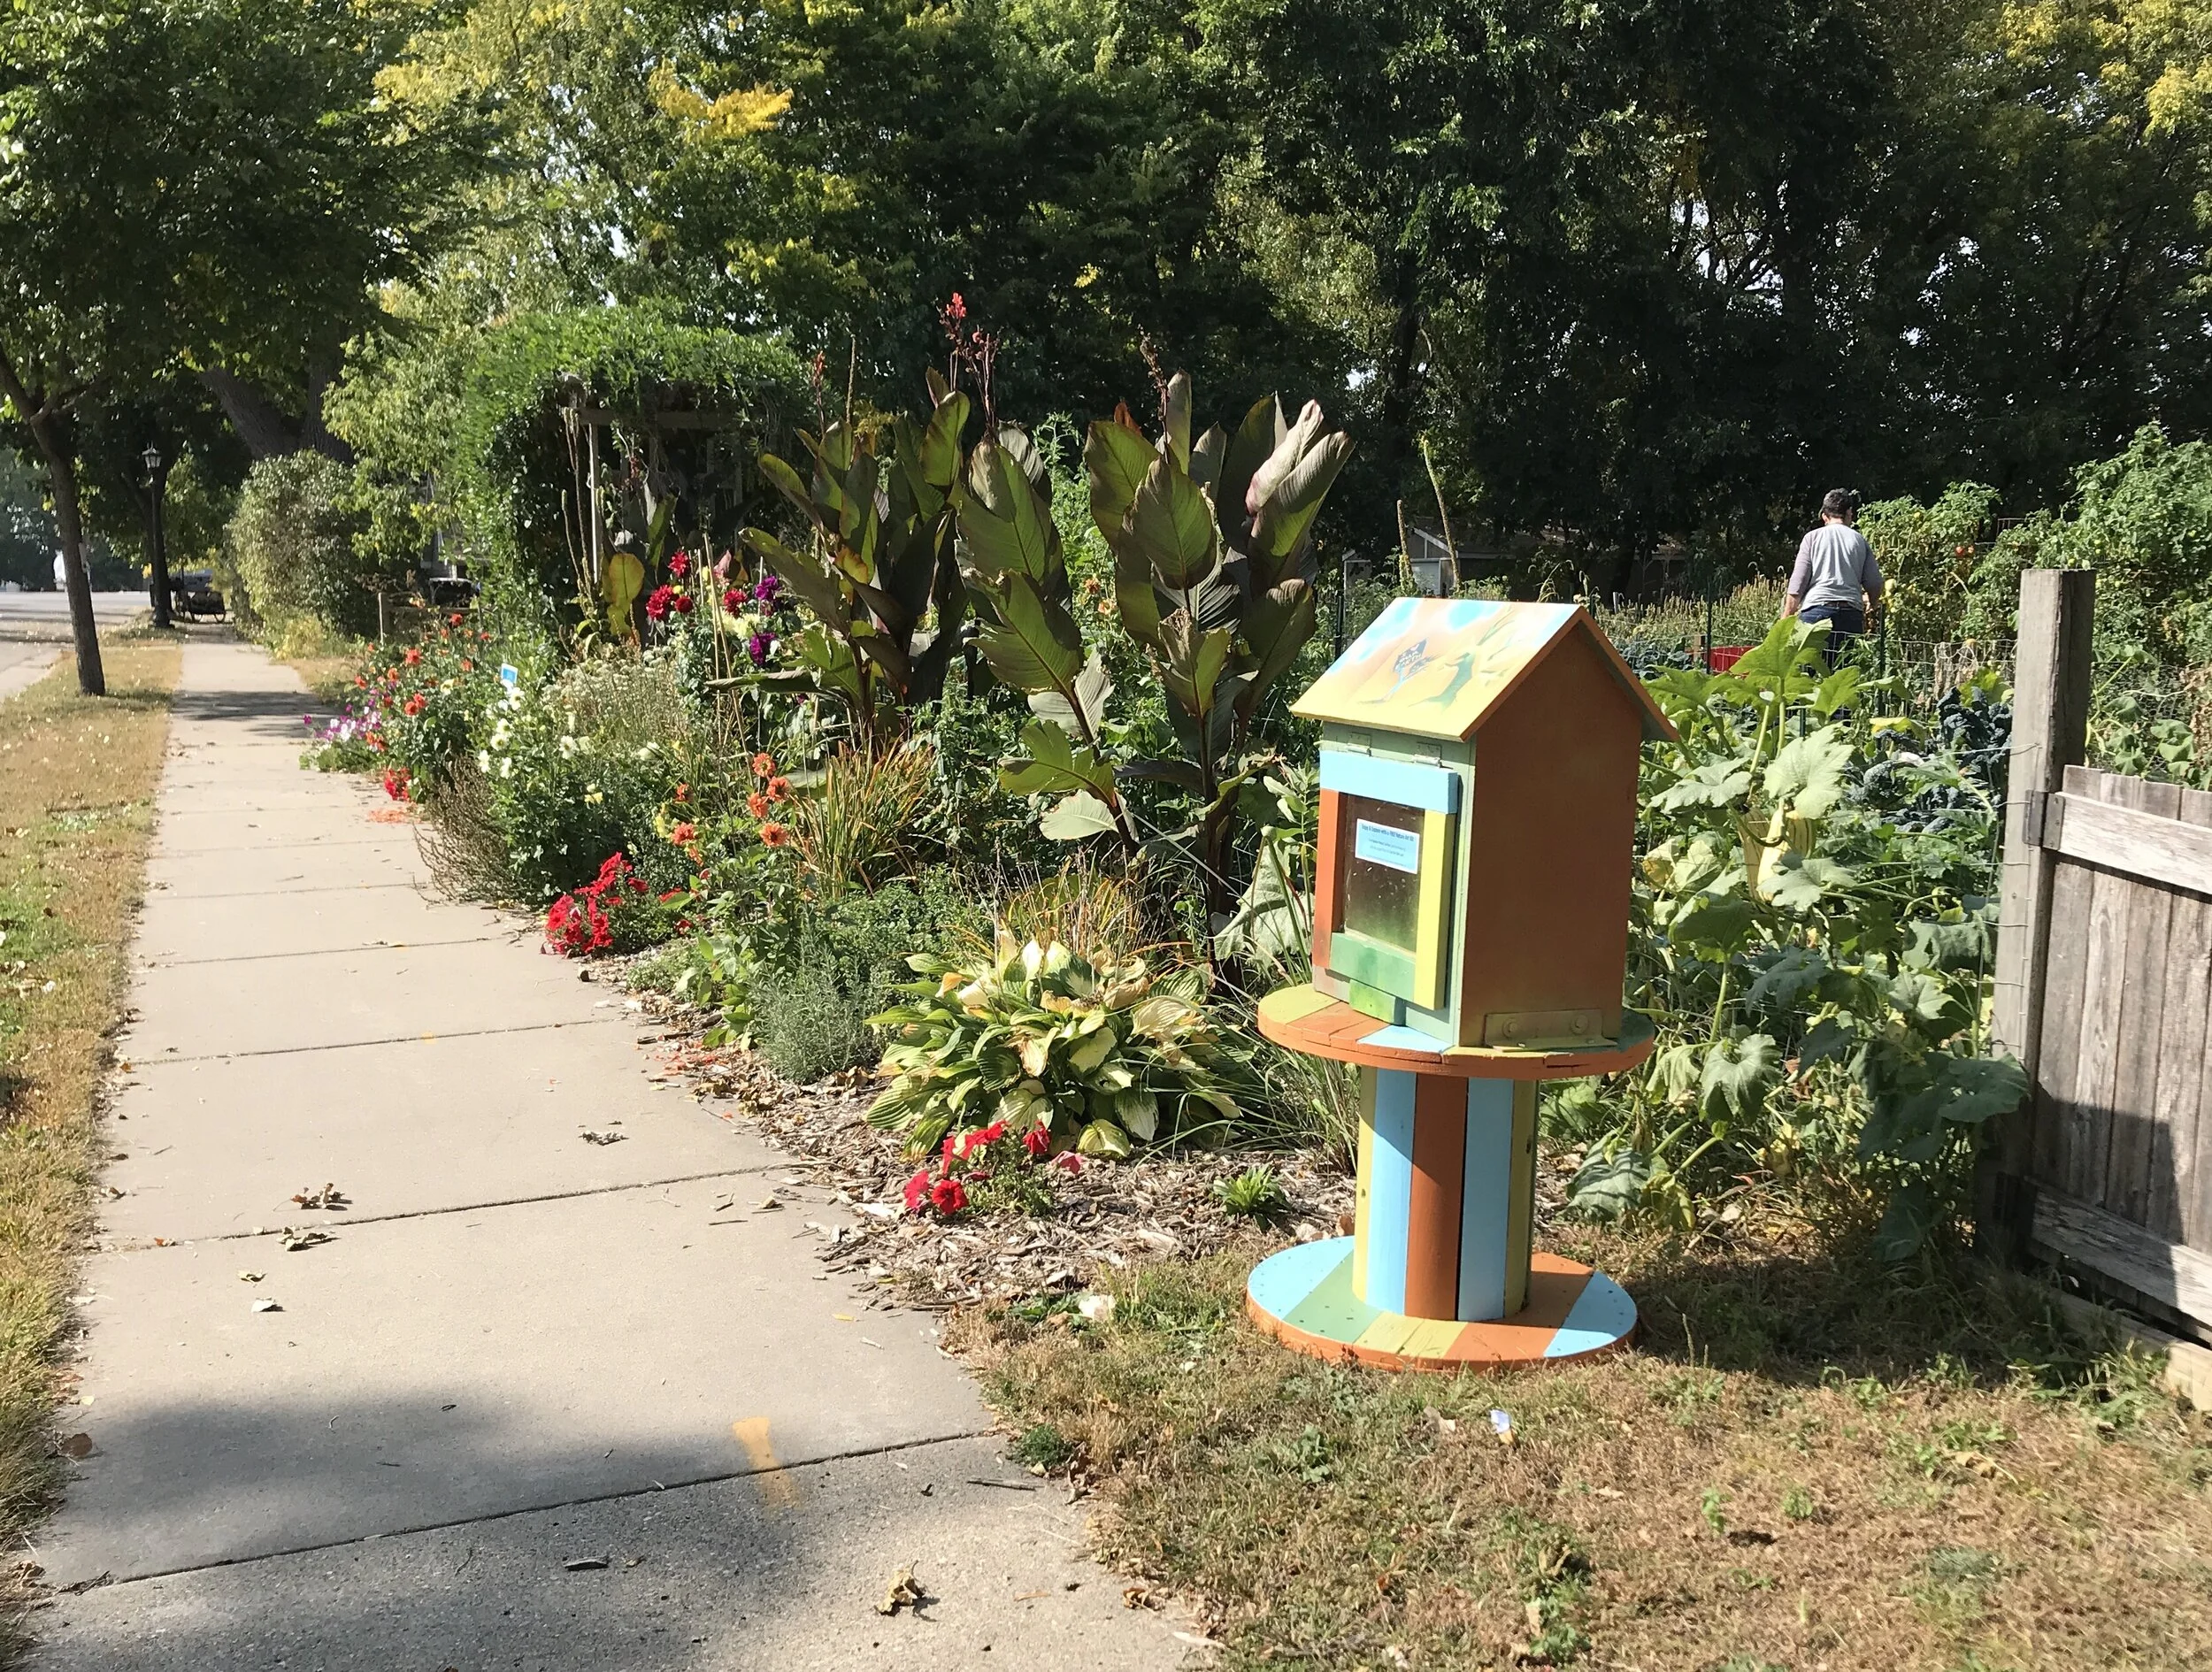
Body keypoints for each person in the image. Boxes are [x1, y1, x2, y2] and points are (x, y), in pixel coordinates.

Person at [1783, 488, 1883, 662]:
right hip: (1850, 615)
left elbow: (1798, 584)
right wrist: (1871, 605)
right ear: (1849, 514)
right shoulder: (1859, 540)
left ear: (1824, 516)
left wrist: (1786, 618)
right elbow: (1874, 584)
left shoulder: (1812, 538)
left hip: (1816, 613)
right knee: (1842, 679)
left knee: (1808, 675)